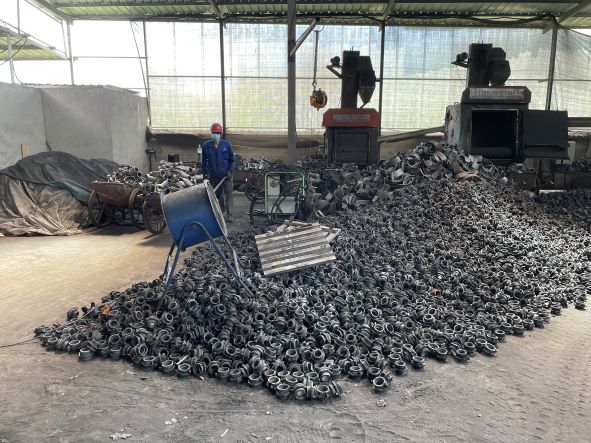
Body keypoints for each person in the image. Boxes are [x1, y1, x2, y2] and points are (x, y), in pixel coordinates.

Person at [201, 123, 236, 222]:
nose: (215, 135)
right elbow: (204, 161)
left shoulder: (227, 145)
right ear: (211, 133)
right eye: (214, 133)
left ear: (221, 134)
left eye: (217, 133)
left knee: (228, 195)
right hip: (214, 176)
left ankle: (229, 215)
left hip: (226, 176)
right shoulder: (206, 146)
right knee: (218, 196)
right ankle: (221, 212)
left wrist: (230, 170)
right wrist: (205, 174)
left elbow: (232, 160)